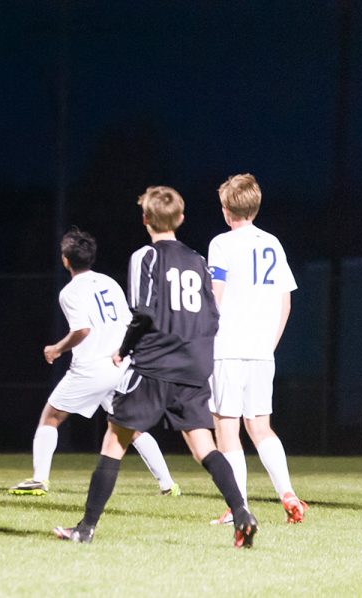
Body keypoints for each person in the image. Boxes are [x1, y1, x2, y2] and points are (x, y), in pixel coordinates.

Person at [53, 186, 258, 548]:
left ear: (145, 219)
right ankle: (242, 512)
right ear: (180, 219)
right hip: (193, 364)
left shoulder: (145, 256)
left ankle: (85, 528)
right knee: (203, 447)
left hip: (155, 364)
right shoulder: (197, 259)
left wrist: (125, 349)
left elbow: (143, 311)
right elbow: (212, 314)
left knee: (114, 442)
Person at [9, 228, 179, 497]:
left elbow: (82, 331)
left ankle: (39, 479)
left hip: (92, 369)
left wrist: (56, 349)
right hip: (119, 363)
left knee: (50, 418)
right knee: (130, 427)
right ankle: (168, 484)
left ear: (65, 259)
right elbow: (129, 322)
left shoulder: (70, 292)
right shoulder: (109, 282)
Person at [207, 174, 307, 525]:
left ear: (225, 209)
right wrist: (270, 345)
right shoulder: (273, 243)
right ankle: (287, 493)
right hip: (263, 351)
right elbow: (286, 303)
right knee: (261, 427)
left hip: (227, 348)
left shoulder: (221, 243)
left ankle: (240, 507)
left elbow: (215, 296)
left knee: (228, 429)